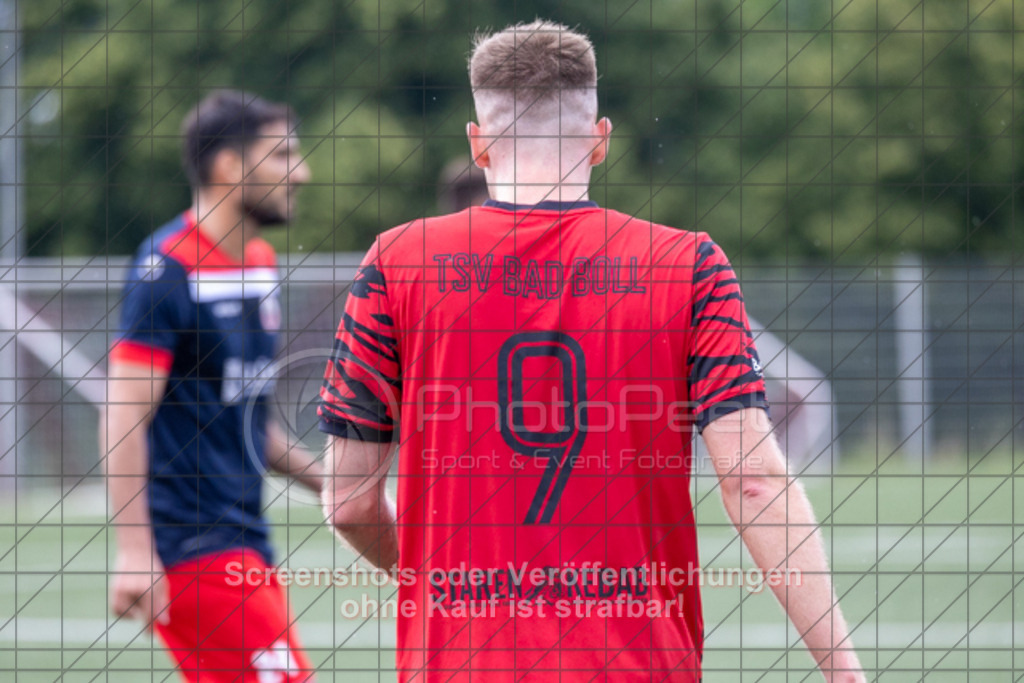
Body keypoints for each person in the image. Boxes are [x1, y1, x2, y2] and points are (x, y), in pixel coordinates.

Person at [319, 21, 865, 682]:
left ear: (478, 144)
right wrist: (843, 672)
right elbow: (754, 483)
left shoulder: (397, 261)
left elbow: (349, 502)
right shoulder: (687, 265)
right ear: (600, 139)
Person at [103, 89, 320, 682]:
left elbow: (247, 419)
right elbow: (123, 415)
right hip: (195, 546)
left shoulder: (259, 262)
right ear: (229, 166)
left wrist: (339, 485)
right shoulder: (166, 269)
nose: (301, 173)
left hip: (245, 541)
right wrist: (134, 551)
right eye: (282, 156)